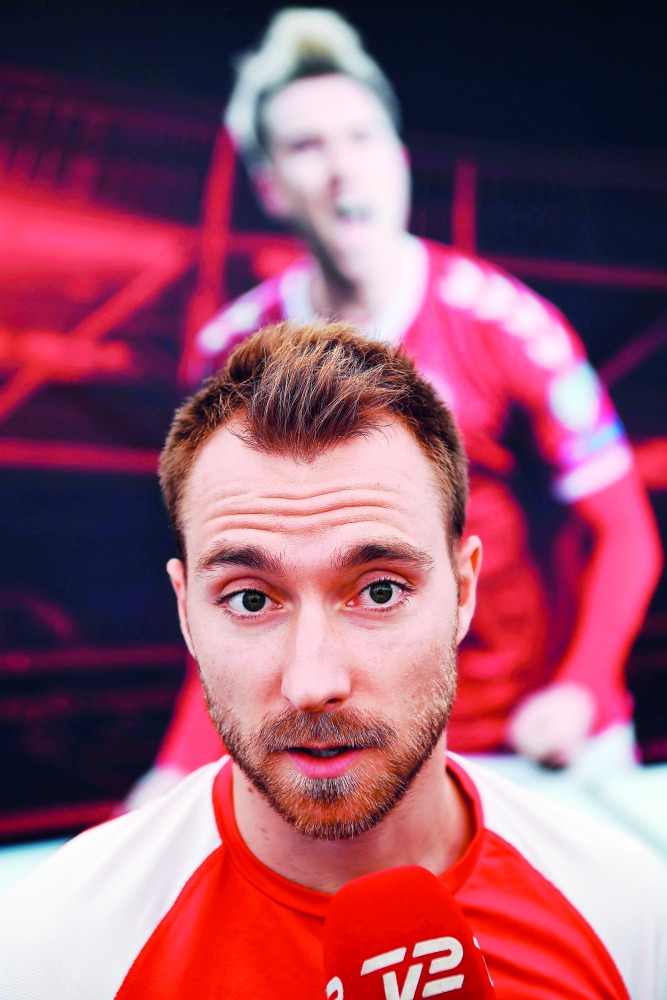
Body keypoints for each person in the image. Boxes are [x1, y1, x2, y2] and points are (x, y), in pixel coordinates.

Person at [2, 323, 666, 998]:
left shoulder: (620, 906)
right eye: (250, 600)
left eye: (379, 591)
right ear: (184, 613)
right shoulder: (56, 946)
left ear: (463, 591)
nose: (312, 683)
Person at [129, 8, 661, 809]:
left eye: (361, 137)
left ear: (399, 158)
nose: (343, 168)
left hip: (530, 743)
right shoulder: (227, 356)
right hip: (335, 746)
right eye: (308, 147)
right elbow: (229, 587)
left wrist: (582, 691)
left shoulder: (506, 324)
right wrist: (177, 766)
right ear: (270, 186)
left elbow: (626, 532)